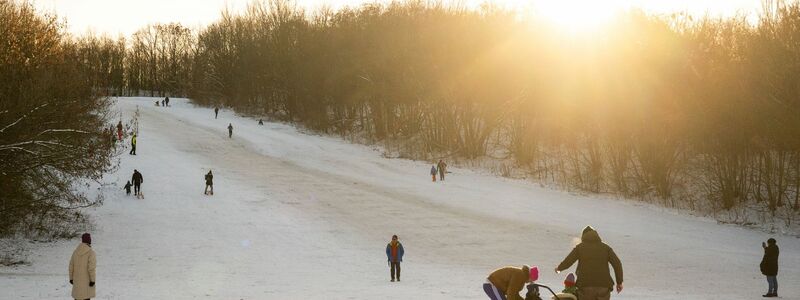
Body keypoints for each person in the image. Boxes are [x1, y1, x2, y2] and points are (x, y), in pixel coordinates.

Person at [555, 226, 623, 300]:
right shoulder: (606, 248)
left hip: (585, 286)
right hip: (604, 287)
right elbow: (617, 264)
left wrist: (559, 268)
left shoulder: (580, 248)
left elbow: (568, 261)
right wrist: (619, 282)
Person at [69, 233, 96, 300]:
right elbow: (91, 268)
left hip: (77, 282)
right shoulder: (91, 252)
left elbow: (71, 266)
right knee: (86, 297)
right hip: (86, 283)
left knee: (77, 298)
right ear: (89, 241)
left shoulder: (75, 252)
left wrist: (71, 278)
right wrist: (92, 280)